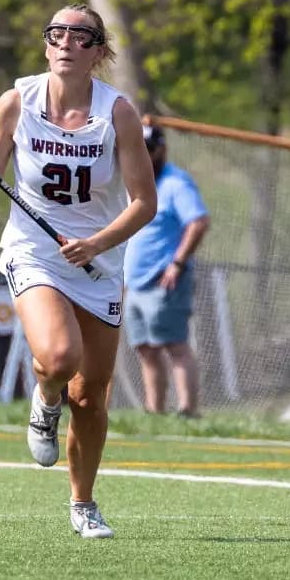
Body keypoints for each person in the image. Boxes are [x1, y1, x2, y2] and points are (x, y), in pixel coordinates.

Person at [0, 4, 156, 538]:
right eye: (56, 33)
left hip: (98, 260)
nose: (65, 42)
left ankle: (83, 504)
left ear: (97, 52)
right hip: (33, 251)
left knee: (91, 394)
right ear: (46, 45)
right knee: (60, 357)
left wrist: (97, 244)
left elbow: (144, 203)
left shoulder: (119, 114)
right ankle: (44, 396)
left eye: (79, 36)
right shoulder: (18, 101)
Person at [125, 124, 211, 418]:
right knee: (145, 348)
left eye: (148, 150)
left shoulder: (176, 183)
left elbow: (198, 222)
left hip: (164, 278)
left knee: (174, 345)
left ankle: (188, 410)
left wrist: (177, 263)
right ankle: (155, 411)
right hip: (134, 282)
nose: (143, 156)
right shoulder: (134, 182)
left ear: (161, 150)